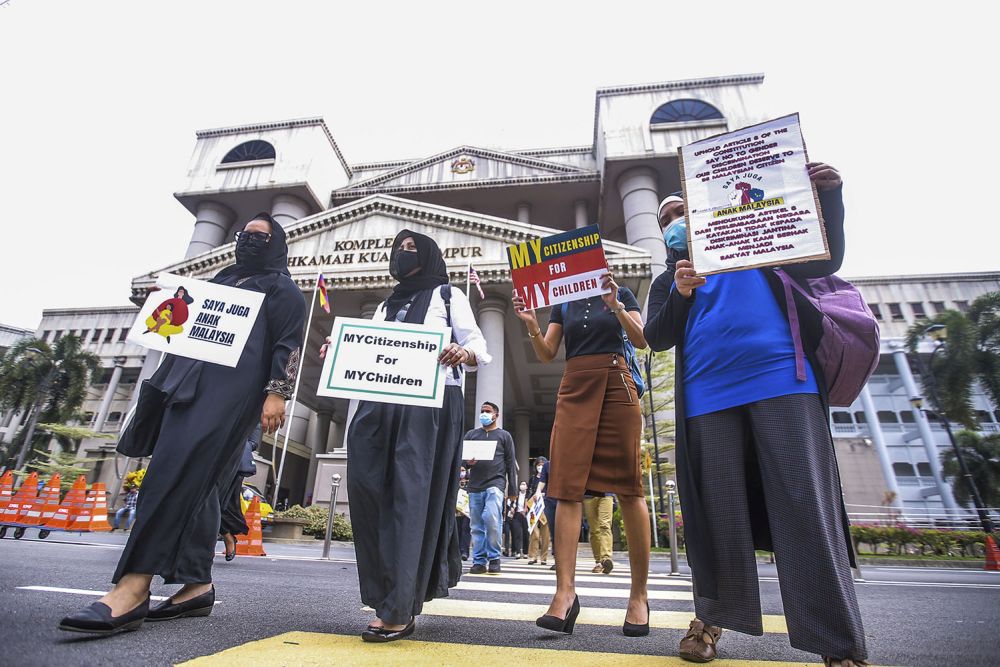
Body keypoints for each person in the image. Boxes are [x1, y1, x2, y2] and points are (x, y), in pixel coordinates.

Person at [643, 164, 867, 666]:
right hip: (706, 396)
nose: (676, 220)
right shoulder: (669, 277)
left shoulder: (760, 238)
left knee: (804, 509)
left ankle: (840, 645)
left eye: (682, 209)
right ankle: (709, 622)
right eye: (667, 219)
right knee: (718, 513)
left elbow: (825, 260)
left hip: (783, 379)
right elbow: (656, 336)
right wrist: (680, 294)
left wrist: (829, 198)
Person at [59, 212, 305, 636]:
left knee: (171, 479)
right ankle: (196, 586)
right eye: (243, 234)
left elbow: (289, 344)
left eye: (260, 237)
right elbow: (181, 323)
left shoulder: (283, 290)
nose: (249, 241)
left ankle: (132, 587)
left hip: (230, 396)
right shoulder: (220, 282)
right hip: (184, 389)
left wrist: (276, 393)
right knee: (199, 484)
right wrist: (161, 302)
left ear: (278, 245)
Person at [324, 229, 491, 643]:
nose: (401, 253)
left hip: (429, 408)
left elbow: (477, 346)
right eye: (397, 247)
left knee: (409, 499)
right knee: (369, 494)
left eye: (411, 248)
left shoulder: (449, 296)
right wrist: (340, 351)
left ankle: (399, 607)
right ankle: (384, 596)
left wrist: (462, 352)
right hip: (379, 405)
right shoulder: (385, 304)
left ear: (430, 255)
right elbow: (373, 352)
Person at [513, 271, 651, 637]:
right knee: (565, 486)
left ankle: (639, 595)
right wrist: (531, 324)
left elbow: (641, 339)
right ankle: (564, 593)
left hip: (616, 385)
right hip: (574, 386)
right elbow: (547, 353)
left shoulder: (620, 292)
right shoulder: (564, 300)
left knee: (630, 487)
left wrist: (617, 306)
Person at [463, 401, 517, 575]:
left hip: (496, 483)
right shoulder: (471, 435)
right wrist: (467, 463)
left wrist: (513, 490)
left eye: (487, 411)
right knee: (476, 525)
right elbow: (461, 461)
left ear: (496, 415)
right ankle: (479, 561)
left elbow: (510, 463)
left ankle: (494, 558)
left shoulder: (504, 436)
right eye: (482, 411)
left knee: (492, 519)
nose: (484, 414)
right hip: (475, 486)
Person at [219, 425, 260, 561]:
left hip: (233, 465)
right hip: (209, 456)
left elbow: (254, 442)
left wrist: (235, 442)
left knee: (219, 504)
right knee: (202, 503)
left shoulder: (253, 412)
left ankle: (227, 536)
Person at [526, 457, 550, 565]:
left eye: (542, 464)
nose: (540, 467)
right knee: (534, 533)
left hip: (545, 506)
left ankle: (543, 557)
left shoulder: (549, 478)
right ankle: (532, 556)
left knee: (545, 533)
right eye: (538, 464)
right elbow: (529, 492)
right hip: (533, 507)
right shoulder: (532, 478)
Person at [583, 493, 614, 574]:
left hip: (607, 492)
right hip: (589, 494)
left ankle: (606, 558)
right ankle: (599, 561)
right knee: (594, 530)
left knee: (605, 525)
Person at [505, 480, 529, 558]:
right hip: (517, 515)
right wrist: (512, 508)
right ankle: (518, 552)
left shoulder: (528, 495)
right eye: (521, 484)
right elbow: (511, 503)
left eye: (524, 484)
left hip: (525, 515)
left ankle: (525, 552)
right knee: (517, 533)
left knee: (526, 534)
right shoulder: (516, 495)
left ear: (527, 487)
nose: (522, 485)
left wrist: (526, 509)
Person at [456, 476, 471, 561]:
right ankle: (457, 551)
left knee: (465, 531)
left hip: (467, 513)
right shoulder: (456, 484)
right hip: (457, 512)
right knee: (457, 531)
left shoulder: (470, 485)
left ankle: (464, 551)